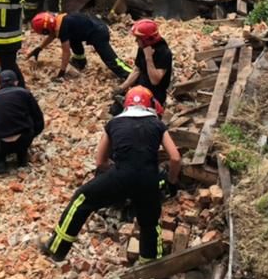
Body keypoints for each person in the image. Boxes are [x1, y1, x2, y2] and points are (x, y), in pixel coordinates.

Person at [43, 87, 181, 263]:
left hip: (121, 175)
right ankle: (151, 266)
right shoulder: (157, 124)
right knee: (150, 223)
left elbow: (100, 162)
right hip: (149, 178)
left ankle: (57, 248)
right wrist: (171, 181)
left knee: (82, 200)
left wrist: (116, 179)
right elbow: (175, 158)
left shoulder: (114, 123)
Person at [29, 11, 131, 81]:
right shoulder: (58, 20)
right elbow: (53, 34)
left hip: (98, 32)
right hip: (93, 25)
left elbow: (66, 52)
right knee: (73, 39)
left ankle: (130, 75)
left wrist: (61, 72)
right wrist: (39, 48)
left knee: (111, 60)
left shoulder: (63, 28)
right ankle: (80, 61)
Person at [0, 69, 45, 175]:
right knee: (28, 120)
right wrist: (31, 136)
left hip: (2, 145)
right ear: (16, 82)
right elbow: (39, 119)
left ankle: (0, 161)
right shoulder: (25, 93)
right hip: (24, 139)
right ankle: (22, 155)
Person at [113, 19, 174, 113]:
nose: (136, 40)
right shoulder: (143, 47)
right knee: (115, 110)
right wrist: (122, 87)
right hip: (140, 87)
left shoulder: (164, 52)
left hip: (155, 93)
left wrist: (149, 58)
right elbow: (137, 70)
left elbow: (155, 81)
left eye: (138, 38)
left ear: (146, 40)